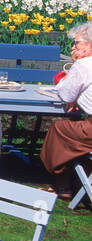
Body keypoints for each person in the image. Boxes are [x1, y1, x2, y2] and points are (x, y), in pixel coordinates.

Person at [39, 22, 92, 200]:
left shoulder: (84, 64)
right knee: (74, 130)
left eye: (77, 43)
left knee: (59, 129)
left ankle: (62, 184)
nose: (73, 47)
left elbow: (66, 95)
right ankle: (79, 182)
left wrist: (72, 69)